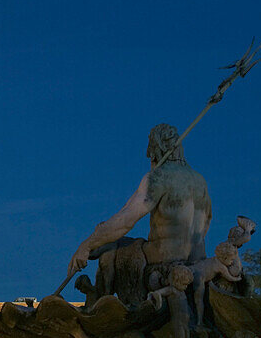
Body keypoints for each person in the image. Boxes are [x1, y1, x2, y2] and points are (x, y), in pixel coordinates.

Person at [68, 124, 212, 294]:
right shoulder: (199, 180)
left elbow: (125, 222)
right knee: (107, 239)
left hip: (164, 258)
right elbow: (207, 223)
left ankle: (100, 301)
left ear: (156, 148)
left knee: (110, 245)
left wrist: (86, 245)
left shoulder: (159, 177)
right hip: (198, 260)